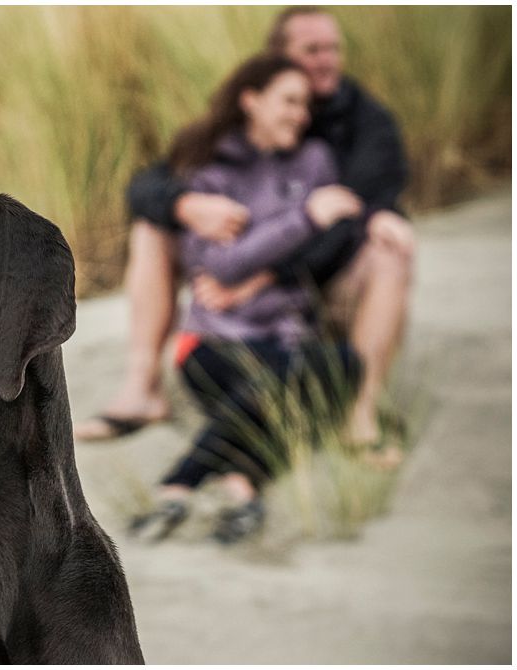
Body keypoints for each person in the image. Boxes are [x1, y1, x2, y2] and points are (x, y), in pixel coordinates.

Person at [75, 7, 413, 464]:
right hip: (235, 288)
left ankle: (361, 411)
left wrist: (263, 277)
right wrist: (186, 205)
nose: (327, 60)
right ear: (279, 58)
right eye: (312, 50)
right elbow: (146, 186)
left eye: (334, 48)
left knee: (390, 246)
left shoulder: (366, 125)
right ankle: (142, 388)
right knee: (153, 227)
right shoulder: (247, 113)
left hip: (321, 282)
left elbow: (346, 225)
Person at [124, 53, 363, 544]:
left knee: (345, 363)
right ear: (251, 101)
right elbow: (219, 268)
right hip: (213, 342)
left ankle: (186, 485)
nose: (301, 114)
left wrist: (264, 271)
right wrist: (306, 218)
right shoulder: (208, 170)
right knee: (272, 387)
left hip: (286, 337)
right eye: (289, 101)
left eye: (306, 104)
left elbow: (339, 238)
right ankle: (230, 489)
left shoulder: (314, 159)